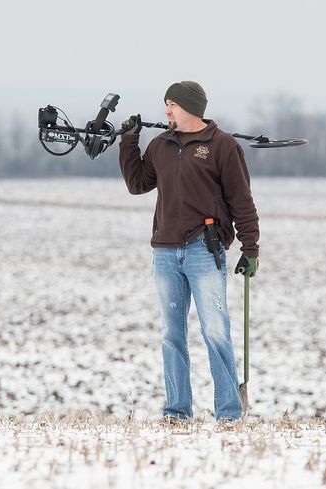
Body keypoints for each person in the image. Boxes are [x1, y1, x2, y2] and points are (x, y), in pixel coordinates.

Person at [118, 80, 259, 422]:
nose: (166, 111)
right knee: (171, 334)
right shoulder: (161, 145)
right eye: (166, 105)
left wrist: (250, 247)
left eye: (172, 105)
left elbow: (242, 202)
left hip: (203, 250)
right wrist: (129, 140)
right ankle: (177, 411)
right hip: (165, 251)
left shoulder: (222, 147)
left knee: (214, 331)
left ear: (191, 109)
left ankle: (228, 413)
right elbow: (138, 184)